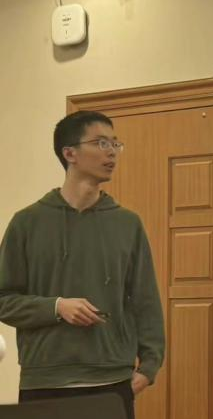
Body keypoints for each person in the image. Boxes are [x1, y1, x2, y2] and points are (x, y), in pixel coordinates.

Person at [0, 111, 164, 419]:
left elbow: (146, 301)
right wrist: (56, 307)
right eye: (101, 143)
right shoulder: (26, 223)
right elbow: (3, 299)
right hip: (44, 382)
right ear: (69, 153)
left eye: (115, 144)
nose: (112, 152)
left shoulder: (128, 224)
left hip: (112, 382)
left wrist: (150, 366)